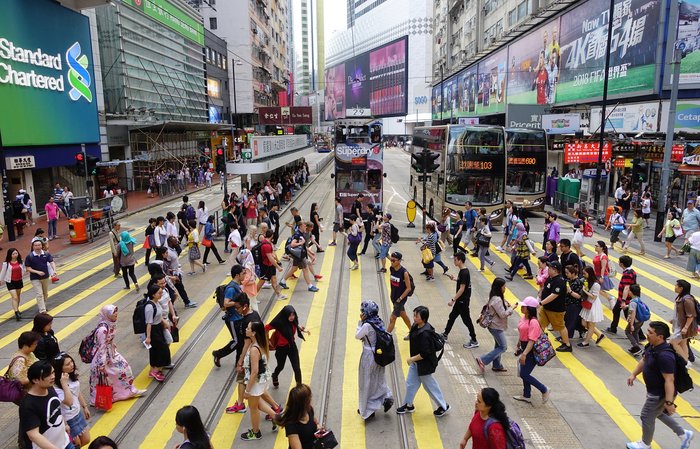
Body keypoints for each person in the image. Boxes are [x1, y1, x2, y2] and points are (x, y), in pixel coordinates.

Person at [625, 321, 694, 449]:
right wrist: (633, 374)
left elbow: (669, 380)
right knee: (658, 413)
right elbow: (644, 360)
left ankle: (645, 444)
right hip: (654, 391)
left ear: (660, 337)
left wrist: (669, 402)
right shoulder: (652, 346)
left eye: (650, 332)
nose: (647, 334)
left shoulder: (665, 355)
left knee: (646, 415)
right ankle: (684, 434)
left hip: (659, 394)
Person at [396, 306, 450, 417]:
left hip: (424, 365)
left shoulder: (425, 334)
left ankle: (443, 406)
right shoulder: (417, 326)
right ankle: (408, 404)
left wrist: (412, 359)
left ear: (423, 319)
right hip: (417, 364)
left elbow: (424, 353)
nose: (414, 317)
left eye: (416, 316)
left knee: (430, 386)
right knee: (410, 384)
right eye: (414, 315)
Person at [89, 305, 145, 405]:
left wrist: (112, 345)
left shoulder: (110, 324)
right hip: (103, 357)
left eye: (116, 311)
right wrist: (101, 364)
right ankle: (100, 399)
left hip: (111, 353)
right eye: (113, 312)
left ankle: (126, 392)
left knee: (124, 369)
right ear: (107, 314)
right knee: (103, 378)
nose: (116, 314)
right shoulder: (102, 329)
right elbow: (101, 347)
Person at [240, 321, 281, 441]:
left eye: (248, 328)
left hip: (255, 382)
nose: (246, 330)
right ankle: (275, 417)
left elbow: (254, 371)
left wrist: (247, 390)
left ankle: (255, 432)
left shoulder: (254, 349)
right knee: (257, 403)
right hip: (261, 380)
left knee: (253, 408)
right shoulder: (260, 343)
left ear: (253, 332)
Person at [19, 360, 72, 449]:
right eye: (47, 375)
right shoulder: (28, 405)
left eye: (53, 373)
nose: (53, 377)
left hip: (65, 443)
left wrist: (64, 425)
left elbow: (57, 409)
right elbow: (33, 435)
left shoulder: (50, 388)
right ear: (35, 380)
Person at [355, 300, 394, 420]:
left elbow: (357, 335)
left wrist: (360, 322)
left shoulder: (366, 325)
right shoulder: (378, 321)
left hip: (368, 356)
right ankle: (386, 396)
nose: (361, 313)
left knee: (366, 382)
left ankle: (368, 410)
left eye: (362, 311)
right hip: (379, 355)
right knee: (378, 378)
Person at [513, 296, 551, 404]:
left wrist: (524, 354)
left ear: (529, 308)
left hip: (531, 350)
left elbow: (532, 340)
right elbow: (522, 331)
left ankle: (544, 389)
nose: (521, 307)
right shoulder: (524, 317)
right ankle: (526, 394)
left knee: (523, 373)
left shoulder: (534, 322)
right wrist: (519, 342)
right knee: (524, 371)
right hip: (525, 346)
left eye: (524, 306)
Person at [475, 278, 516, 374]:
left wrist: (506, 304)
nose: (505, 288)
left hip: (495, 326)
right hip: (496, 327)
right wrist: (511, 308)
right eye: (504, 286)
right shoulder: (497, 299)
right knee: (503, 347)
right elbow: (502, 314)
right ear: (499, 287)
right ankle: (483, 360)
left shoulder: (494, 297)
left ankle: (497, 365)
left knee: (498, 345)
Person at [52, 353, 91, 447]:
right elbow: (69, 402)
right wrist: (64, 384)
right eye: (67, 364)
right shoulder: (56, 386)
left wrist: (84, 406)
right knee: (76, 444)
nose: (72, 365)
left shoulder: (71, 376)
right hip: (68, 419)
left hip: (77, 413)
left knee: (86, 439)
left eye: (71, 362)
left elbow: (77, 392)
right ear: (60, 368)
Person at [442, 251, 478, 349]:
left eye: (455, 260)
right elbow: (463, 283)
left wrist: (453, 300)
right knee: (452, 317)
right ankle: (445, 334)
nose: (454, 261)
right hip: (461, 301)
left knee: (466, 320)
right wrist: (454, 279)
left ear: (460, 260)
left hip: (463, 301)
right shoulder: (463, 271)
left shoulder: (464, 272)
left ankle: (474, 340)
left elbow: (462, 289)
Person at [267, 305, 307, 388]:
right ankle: (275, 375)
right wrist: (267, 340)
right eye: (290, 315)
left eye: (293, 315)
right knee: (280, 366)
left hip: (292, 346)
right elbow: (265, 328)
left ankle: (299, 387)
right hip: (281, 348)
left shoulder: (294, 320)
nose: (292, 317)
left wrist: (298, 327)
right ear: (285, 315)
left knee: (297, 368)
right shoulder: (278, 322)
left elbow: (294, 324)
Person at [538, 261, 572, 352]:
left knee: (560, 326)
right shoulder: (551, 278)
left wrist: (541, 303)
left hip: (555, 310)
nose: (548, 269)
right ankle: (538, 342)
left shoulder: (560, 281)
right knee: (540, 324)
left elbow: (554, 295)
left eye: (550, 268)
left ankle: (567, 344)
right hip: (546, 308)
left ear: (555, 270)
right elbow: (545, 288)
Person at [275, 384, 319, 449]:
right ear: (304, 403)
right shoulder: (291, 426)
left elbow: (316, 423)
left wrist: (320, 431)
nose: (311, 398)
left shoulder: (309, 410)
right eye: (309, 397)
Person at [143, 284, 172, 382]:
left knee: (155, 351)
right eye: (159, 293)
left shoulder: (156, 303)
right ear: (153, 294)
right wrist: (148, 337)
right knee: (162, 350)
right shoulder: (149, 307)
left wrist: (165, 323)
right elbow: (149, 323)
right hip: (153, 331)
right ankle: (156, 370)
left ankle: (153, 370)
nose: (161, 295)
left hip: (159, 328)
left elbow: (159, 315)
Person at [24, 239, 56, 313]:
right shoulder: (30, 256)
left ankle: (43, 305)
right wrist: (37, 272)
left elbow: (52, 262)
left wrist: (54, 271)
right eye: (36, 245)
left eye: (39, 245)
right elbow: (28, 268)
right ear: (33, 246)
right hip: (35, 278)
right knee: (39, 294)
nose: (37, 247)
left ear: (42, 246)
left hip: (45, 277)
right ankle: (42, 310)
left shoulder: (46, 254)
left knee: (45, 293)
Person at [576, 266, 605, 347]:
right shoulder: (587, 281)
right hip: (587, 304)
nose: (583, 275)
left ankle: (586, 342)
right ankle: (599, 334)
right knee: (584, 323)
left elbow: (594, 297)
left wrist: (585, 290)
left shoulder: (596, 284)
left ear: (590, 273)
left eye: (585, 273)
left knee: (591, 325)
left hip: (593, 305)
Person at [670, 279, 698, 362]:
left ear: (681, 288)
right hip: (680, 325)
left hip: (683, 327)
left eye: (676, 285)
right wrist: (674, 320)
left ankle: (686, 361)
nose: (675, 287)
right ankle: (685, 362)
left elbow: (691, 315)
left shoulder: (687, 300)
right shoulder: (681, 297)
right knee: (683, 343)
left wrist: (685, 328)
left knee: (673, 342)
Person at [255, 229, 287, 300]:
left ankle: (279, 294)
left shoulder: (267, 243)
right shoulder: (266, 245)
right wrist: (278, 267)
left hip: (270, 266)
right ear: (272, 236)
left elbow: (273, 255)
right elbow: (270, 258)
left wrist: (277, 261)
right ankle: (252, 298)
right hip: (265, 266)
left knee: (274, 280)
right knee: (261, 281)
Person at [387, 252, 413, 339]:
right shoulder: (392, 269)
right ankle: (412, 332)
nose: (392, 262)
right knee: (403, 314)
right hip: (394, 297)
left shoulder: (404, 273)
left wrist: (400, 298)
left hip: (400, 299)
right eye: (391, 260)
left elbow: (408, 288)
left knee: (392, 318)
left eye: (393, 260)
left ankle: (385, 337)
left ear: (399, 261)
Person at [562, 264, 587, 341]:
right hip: (568, 304)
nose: (566, 275)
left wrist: (570, 291)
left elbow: (579, 296)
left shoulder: (578, 282)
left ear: (573, 273)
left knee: (570, 322)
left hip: (574, 305)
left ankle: (567, 338)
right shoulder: (569, 281)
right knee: (570, 320)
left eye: (567, 273)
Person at [1, 248, 25, 321]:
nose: (15, 255)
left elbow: (23, 269)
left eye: (16, 253)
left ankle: (17, 308)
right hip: (10, 282)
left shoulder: (21, 261)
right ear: (10, 255)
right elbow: (3, 272)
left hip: (19, 281)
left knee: (17, 296)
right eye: (13, 254)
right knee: (14, 297)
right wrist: (0, 280)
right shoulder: (6, 264)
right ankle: (16, 312)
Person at [625, 284, 646, 356]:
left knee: (627, 331)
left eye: (629, 290)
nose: (628, 292)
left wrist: (631, 324)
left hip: (635, 320)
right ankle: (635, 348)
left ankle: (636, 347)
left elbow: (633, 313)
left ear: (631, 292)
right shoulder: (638, 299)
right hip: (641, 320)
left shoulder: (632, 302)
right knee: (635, 333)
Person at [592, 241, 614, 305]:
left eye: (597, 246)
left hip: (601, 275)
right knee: (596, 289)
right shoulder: (597, 254)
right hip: (596, 274)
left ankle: (610, 298)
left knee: (598, 289)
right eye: (595, 246)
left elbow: (603, 267)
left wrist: (602, 277)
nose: (595, 247)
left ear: (601, 248)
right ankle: (609, 298)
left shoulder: (603, 256)